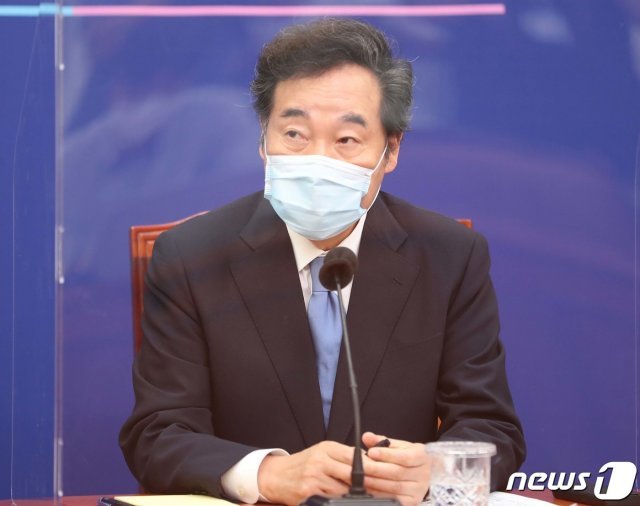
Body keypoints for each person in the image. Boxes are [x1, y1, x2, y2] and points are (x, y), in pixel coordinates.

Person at [120, 18, 525, 506]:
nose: (317, 161)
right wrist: (267, 473)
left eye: (346, 140)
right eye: (295, 133)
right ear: (262, 140)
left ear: (391, 151)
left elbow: (492, 429)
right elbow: (158, 433)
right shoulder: (192, 257)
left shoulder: (449, 256)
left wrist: (433, 472)